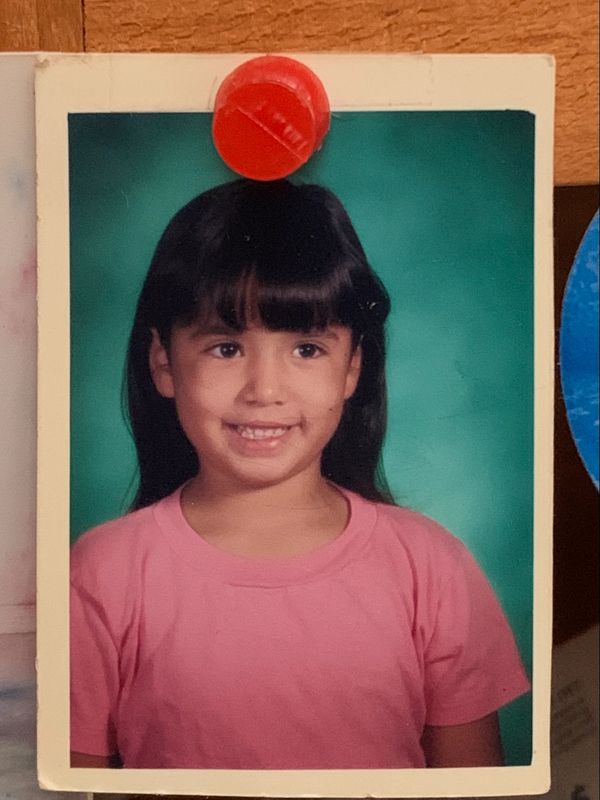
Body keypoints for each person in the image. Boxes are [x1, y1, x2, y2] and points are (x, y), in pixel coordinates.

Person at [70, 179, 530, 770]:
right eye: (226, 348)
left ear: (352, 366)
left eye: (307, 349)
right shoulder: (102, 574)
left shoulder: (431, 567)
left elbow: (472, 785)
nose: (265, 391)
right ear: (163, 361)